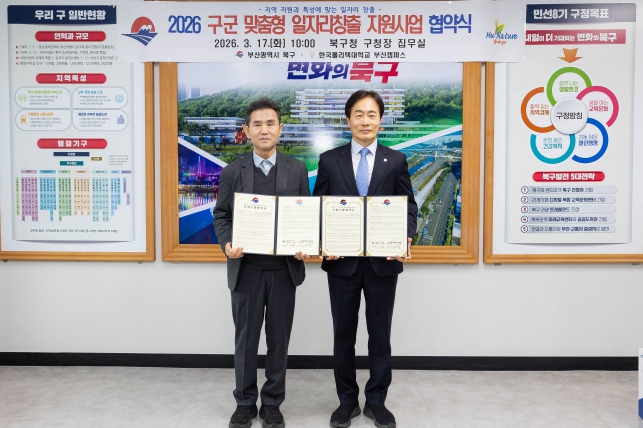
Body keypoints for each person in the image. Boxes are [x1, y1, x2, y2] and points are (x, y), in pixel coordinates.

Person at [313, 90, 418, 428]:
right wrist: (322, 241)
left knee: (380, 334)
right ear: (348, 120)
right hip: (341, 262)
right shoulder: (329, 160)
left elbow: (408, 206)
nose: (365, 121)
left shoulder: (396, 160)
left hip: (382, 263)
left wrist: (405, 236)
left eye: (372, 115)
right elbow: (319, 207)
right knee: (343, 335)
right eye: (358, 114)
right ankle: (347, 401)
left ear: (380, 120)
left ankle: (376, 401)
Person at [213, 97, 311, 428]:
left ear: (280, 129)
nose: (264, 130)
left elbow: (305, 215)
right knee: (246, 340)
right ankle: (244, 402)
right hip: (246, 271)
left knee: (279, 340)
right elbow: (221, 215)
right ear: (247, 130)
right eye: (257, 124)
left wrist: (304, 244)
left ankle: (271, 402)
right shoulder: (232, 171)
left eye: (270, 123)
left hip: (284, 270)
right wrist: (227, 243)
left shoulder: (297, 169)